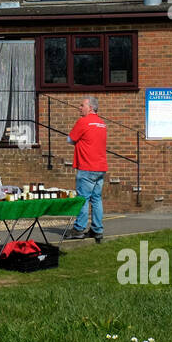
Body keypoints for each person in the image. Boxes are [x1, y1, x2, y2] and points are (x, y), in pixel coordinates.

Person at [64, 97, 108, 242]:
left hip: (87, 166)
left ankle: (78, 229)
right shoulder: (102, 124)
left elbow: (70, 139)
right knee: (96, 199)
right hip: (100, 167)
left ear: (90, 108)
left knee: (82, 199)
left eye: (82, 105)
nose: (79, 107)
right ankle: (97, 230)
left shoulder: (83, 121)